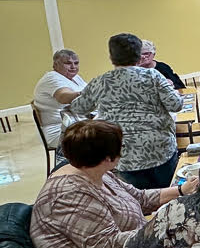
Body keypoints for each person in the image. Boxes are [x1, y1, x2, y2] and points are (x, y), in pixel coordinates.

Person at [30, 120, 195, 248]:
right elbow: (104, 245)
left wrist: (182, 190)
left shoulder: (93, 171)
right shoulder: (69, 194)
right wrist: (164, 230)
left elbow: (140, 198)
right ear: (109, 158)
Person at [68, 33, 182, 189]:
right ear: (138, 56)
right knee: (170, 193)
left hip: (124, 152)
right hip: (160, 148)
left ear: (111, 56)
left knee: (141, 200)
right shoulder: (153, 76)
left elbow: (78, 107)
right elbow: (175, 105)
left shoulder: (101, 81)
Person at [33, 49, 86, 148]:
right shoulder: (52, 78)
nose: (73, 67)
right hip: (60, 131)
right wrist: (87, 93)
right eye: (68, 63)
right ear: (55, 65)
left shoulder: (75, 77)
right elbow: (63, 96)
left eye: (76, 63)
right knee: (108, 134)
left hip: (77, 124)